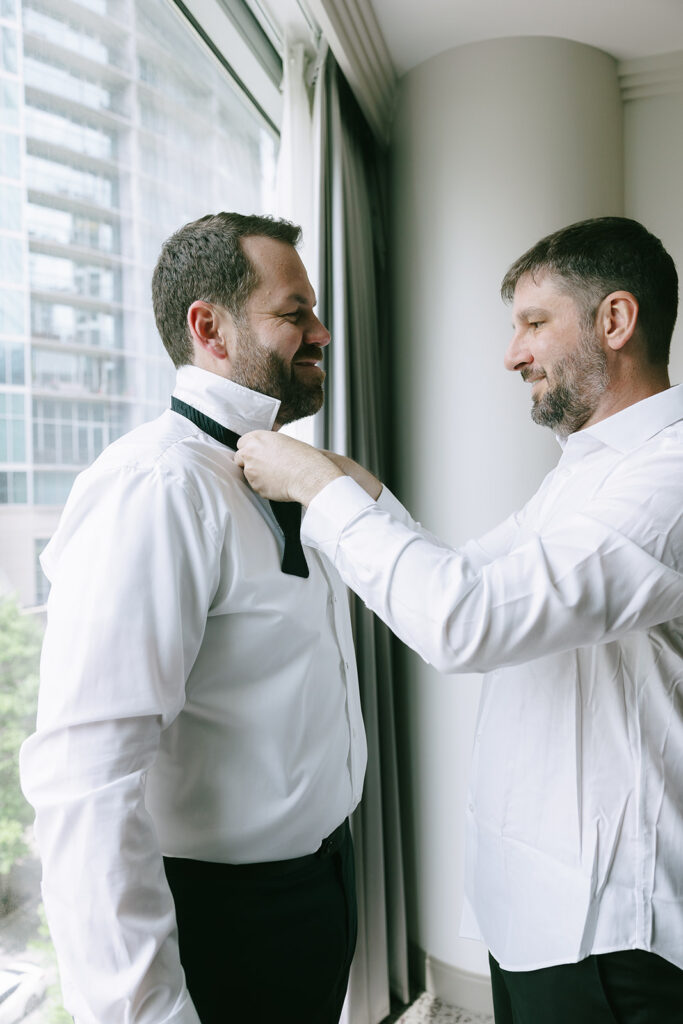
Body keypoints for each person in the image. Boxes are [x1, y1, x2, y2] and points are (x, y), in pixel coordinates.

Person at [234, 217, 683, 1024]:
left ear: (615, 322)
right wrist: (346, 479)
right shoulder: (588, 474)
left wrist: (313, 485)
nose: (512, 355)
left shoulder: (668, 480)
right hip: (540, 916)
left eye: (534, 323)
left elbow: (464, 621)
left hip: (613, 934)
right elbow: (467, 573)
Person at [19, 211, 407, 1024]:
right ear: (210, 328)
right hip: (218, 926)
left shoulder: (293, 468)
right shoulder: (157, 487)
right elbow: (89, 782)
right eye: (294, 312)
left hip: (316, 892)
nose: (322, 332)